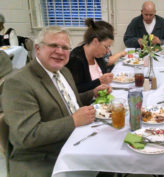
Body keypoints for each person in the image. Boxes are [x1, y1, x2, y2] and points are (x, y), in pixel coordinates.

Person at [2, 26, 111, 177]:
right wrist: (73, 121)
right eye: (53, 45)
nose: (60, 51)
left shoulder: (63, 71)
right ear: (38, 48)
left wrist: (92, 92)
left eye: (65, 47)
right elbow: (27, 135)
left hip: (74, 141)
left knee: (112, 155)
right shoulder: (18, 83)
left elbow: (69, 101)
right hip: (44, 158)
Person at [66, 19, 120, 93]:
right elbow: (75, 89)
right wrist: (99, 81)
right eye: (106, 47)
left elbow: (103, 76)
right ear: (95, 41)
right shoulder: (76, 59)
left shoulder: (98, 56)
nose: (108, 51)